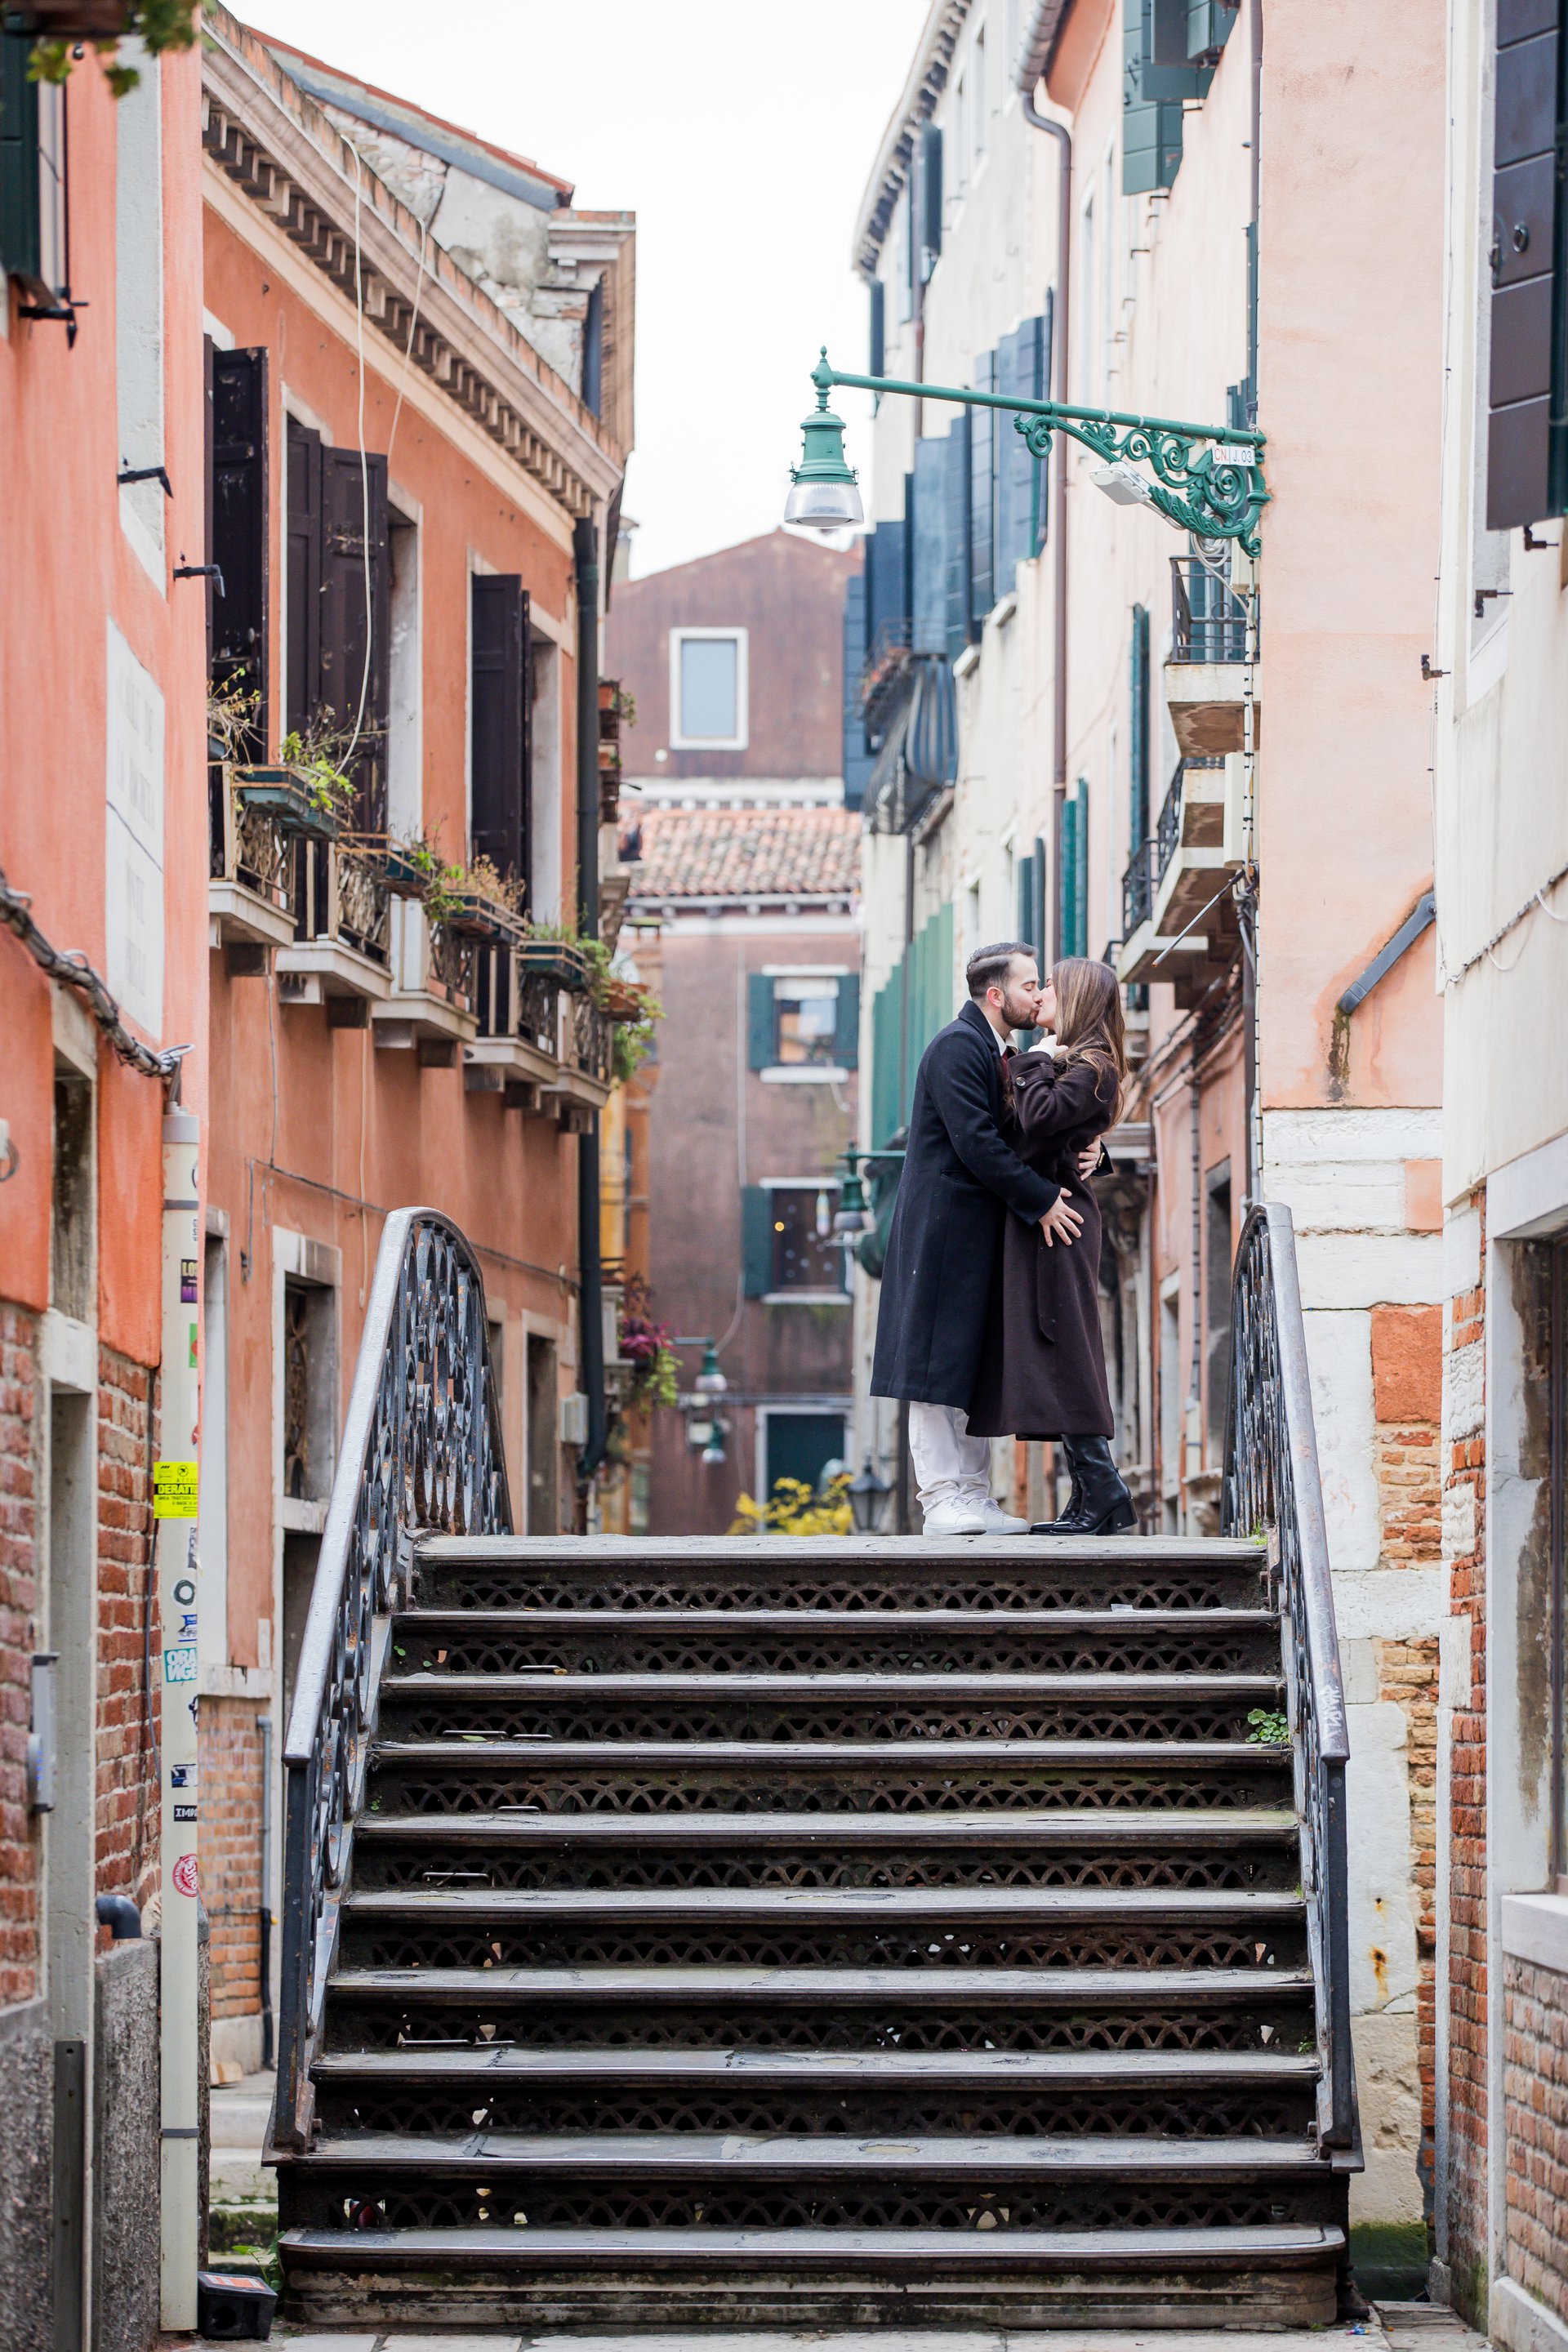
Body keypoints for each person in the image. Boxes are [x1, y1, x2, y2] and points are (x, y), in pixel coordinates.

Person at [871, 942, 1086, 1535]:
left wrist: (1091, 1149)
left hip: (977, 1232)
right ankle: (942, 1498)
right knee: (934, 1367)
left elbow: (1024, 1132)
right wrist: (1041, 1200)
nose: (1039, 996)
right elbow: (977, 1142)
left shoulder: (997, 1051)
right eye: (1029, 986)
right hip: (942, 1233)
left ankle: (972, 1495)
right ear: (996, 995)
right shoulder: (957, 1047)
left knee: (970, 1364)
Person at [967, 956, 1136, 1535]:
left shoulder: (1091, 1064)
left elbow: (1040, 1118)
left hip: (1060, 1227)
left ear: (1078, 998)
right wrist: (1094, 1150)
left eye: (1051, 988)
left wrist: (1034, 1057)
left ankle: (1104, 1490)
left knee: (1067, 1351)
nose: (1039, 996)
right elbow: (1048, 1134)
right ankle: (1090, 1494)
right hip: (1045, 1225)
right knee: (1055, 1350)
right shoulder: (1074, 1064)